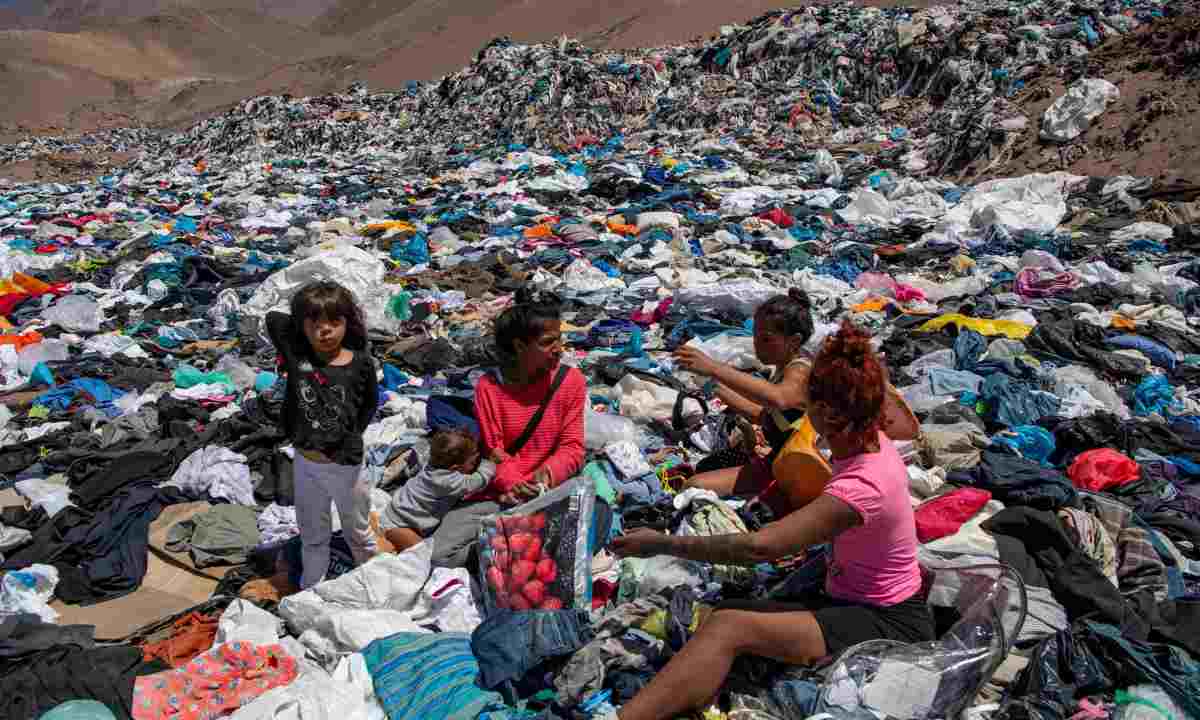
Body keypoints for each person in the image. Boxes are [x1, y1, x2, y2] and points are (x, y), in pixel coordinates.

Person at [611, 320, 933, 720]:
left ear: (827, 412)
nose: (801, 410)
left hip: (887, 621)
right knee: (719, 610)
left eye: (807, 403)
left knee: (728, 626)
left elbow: (759, 547)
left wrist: (658, 543)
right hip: (851, 593)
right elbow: (893, 409)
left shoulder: (863, 484)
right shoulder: (870, 438)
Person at [429, 288, 586, 567]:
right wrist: (516, 486)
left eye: (560, 339)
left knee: (599, 515)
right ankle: (515, 552)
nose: (559, 348)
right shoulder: (489, 388)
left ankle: (514, 549)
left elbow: (572, 447)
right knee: (441, 555)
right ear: (519, 346)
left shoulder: (570, 381)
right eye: (548, 342)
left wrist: (546, 476)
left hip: (550, 491)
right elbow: (494, 452)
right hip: (502, 494)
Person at [266, 281, 378, 589]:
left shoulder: (360, 363)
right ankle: (310, 589)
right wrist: (306, 312)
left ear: (348, 323)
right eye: (315, 323)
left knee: (357, 531)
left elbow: (369, 404)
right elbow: (274, 319)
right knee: (313, 534)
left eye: (334, 321)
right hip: (306, 463)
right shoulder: (297, 357)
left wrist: (347, 434)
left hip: (345, 466)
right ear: (302, 327)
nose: (324, 330)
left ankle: (374, 584)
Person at [674, 289, 817, 515]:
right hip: (779, 464)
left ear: (794, 341)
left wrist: (714, 367)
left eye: (767, 339)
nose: (758, 345)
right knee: (694, 483)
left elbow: (778, 399)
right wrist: (711, 385)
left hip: (796, 474)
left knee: (698, 491)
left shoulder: (800, 370)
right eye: (756, 337)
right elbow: (762, 415)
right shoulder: (782, 369)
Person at [380, 430, 496, 552]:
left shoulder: (432, 465)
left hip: (396, 515)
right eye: (473, 463)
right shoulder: (446, 481)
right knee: (422, 553)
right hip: (399, 525)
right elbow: (475, 482)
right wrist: (489, 463)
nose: (475, 466)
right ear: (454, 468)